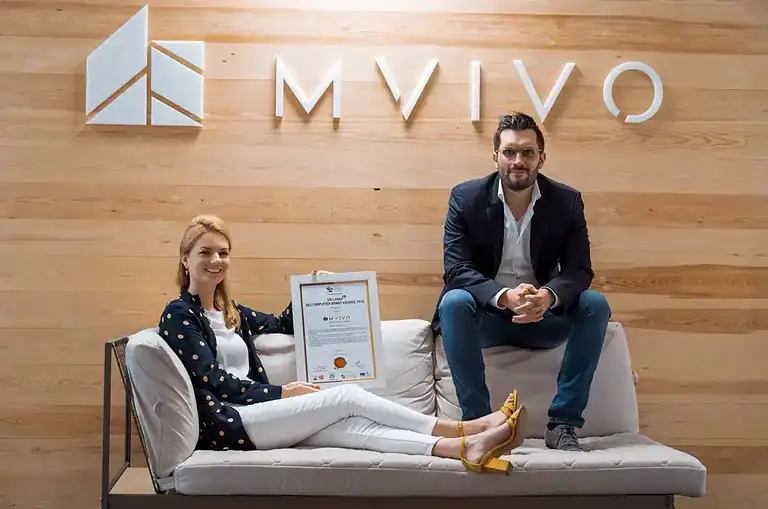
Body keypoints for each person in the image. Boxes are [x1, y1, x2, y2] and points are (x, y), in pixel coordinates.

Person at [158, 214, 529, 474]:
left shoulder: (230, 311)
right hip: (230, 421)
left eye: (223, 252)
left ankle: (462, 449)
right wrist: (282, 393)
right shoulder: (180, 314)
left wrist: (314, 288)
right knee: (347, 397)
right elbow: (210, 379)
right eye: (206, 252)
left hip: (256, 416)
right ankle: (461, 429)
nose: (216, 260)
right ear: (185, 260)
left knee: (354, 428)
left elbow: (282, 323)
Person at [432, 112, 612, 452]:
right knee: (453, 301)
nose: (519, 161)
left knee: (595, 304)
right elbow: (457, 268)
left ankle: (562, 425)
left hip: (544, 316)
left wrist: (547, 296)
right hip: (487, 318)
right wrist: (503, 297)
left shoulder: (567, 202)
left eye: (528, 153)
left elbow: (579, 270)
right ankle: (479, 426)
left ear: (541, 158)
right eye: (510, 152)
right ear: (495, 156)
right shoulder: (466, 198)